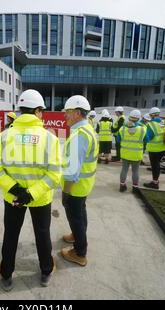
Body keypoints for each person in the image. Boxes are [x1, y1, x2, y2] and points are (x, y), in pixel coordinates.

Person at [0, 89, 61, 291]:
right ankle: (46, 272)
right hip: (40, 198)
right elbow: (54, 175)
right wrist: (31, 194)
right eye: (42, 111)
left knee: (11, 234)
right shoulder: (50, 139)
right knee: (42, 233)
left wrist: (18, 191)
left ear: (21, 110)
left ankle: (6, 275)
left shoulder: (3, 137)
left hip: (13, 198)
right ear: (38, 111)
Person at [60, 95, 98, 267]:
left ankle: (79, 253)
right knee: (81, 214)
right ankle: (77, 235)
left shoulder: (79, 136)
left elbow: (71, 171)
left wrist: (65, 193)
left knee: (75, 217)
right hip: (84, 185)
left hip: (75, 187)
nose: (65, 116)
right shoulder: (89, 129)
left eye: (67, 112)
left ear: (76, 113)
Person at [117, 110, 146, 193]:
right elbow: (146, 139)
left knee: (124, 170)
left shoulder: (122, 129)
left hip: (125, 154)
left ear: (129, 117)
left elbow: (118, 140)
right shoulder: (142, 129)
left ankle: (122, 186)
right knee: (136, 171)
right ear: (138, 119)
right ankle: (135, 187)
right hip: (136, 155)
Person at [143, 107, 165, 189]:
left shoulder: (151, 125)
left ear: (151, 115)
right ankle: (156, 181)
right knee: (157, 164)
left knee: (155, 166)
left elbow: (148, 137)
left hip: (154, 149)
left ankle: (155, 183)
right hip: (164, 148)